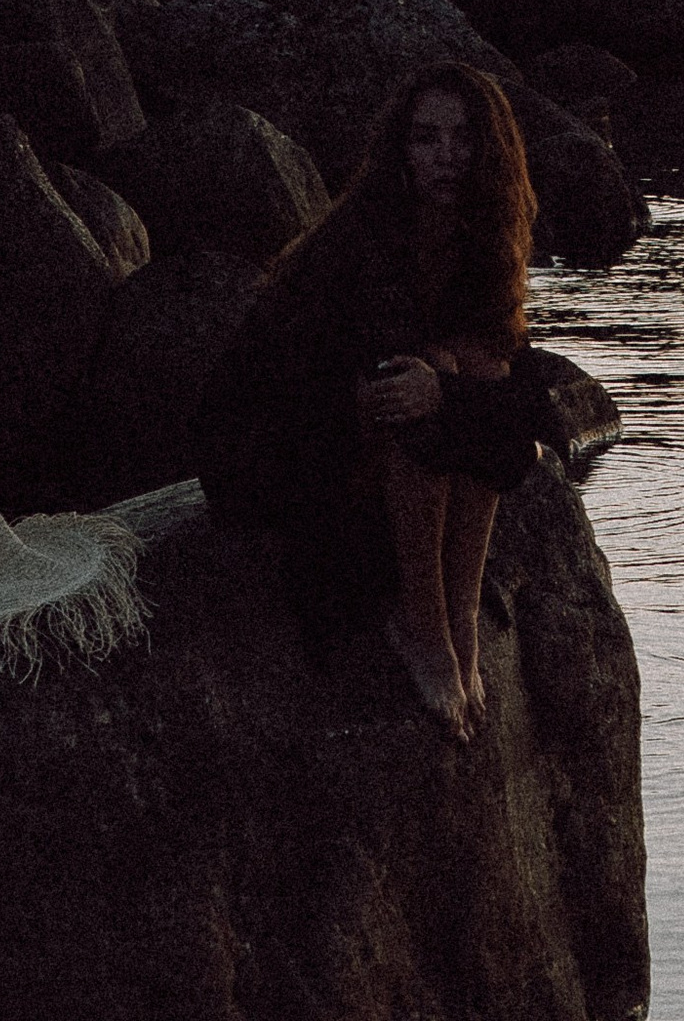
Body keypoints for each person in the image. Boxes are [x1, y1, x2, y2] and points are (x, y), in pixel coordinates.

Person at [194, 62, 550, 737]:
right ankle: (424, 628)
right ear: (401, 151)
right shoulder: (369, 240)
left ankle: (459, 616)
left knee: (469, 369)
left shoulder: (480, 243)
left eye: (463, 137)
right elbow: (381, 389)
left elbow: (518, 411)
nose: (446, 156)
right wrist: (449, 391)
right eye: (425, 139)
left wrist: (456, 390)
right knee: (425, 384)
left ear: (490, 148)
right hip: (272, 444)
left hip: (359, 423)